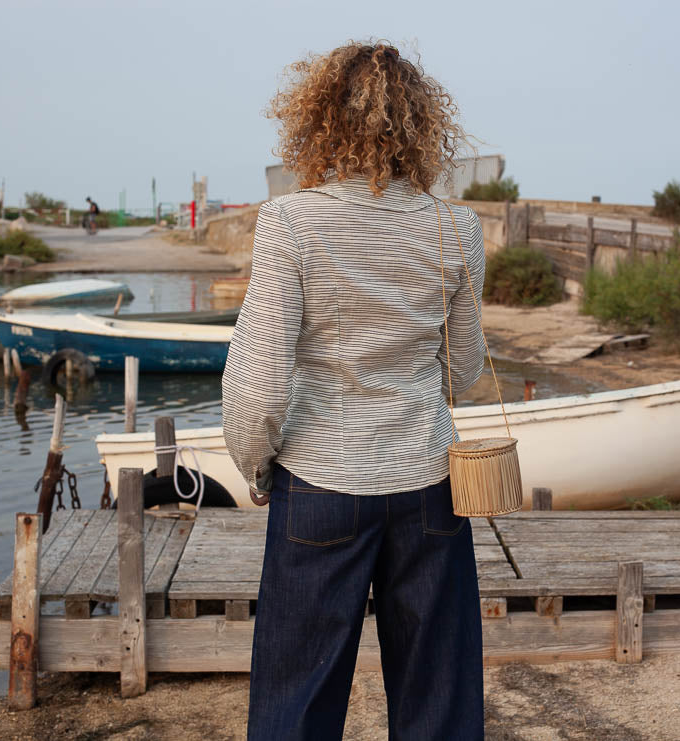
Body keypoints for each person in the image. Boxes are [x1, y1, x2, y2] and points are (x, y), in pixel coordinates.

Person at [222, 42, 486, 740]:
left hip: (319, 483)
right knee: (439, 695)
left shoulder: (290, 221)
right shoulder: (456, 228)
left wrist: (255, 465)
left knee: (296, 700)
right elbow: (462, 372)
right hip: (429, 482)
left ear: (319, 119)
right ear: (421, 124)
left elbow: (258, 380)